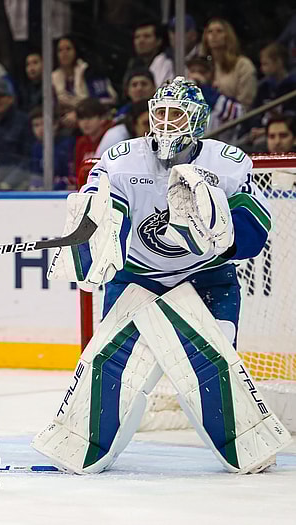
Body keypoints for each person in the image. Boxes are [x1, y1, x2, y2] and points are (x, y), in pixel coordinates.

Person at [37, 76, 291, 474]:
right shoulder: (122, 159)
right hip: (138, 277)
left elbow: (256, 228)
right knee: (112, 366)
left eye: (177, 115)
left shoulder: (225, 163)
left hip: (207, 280)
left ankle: (247, 446)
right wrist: (97, 236)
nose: (167, 123)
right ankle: (85, 446)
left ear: (198, 120)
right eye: (161, 114)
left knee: (214, 366)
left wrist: (221, 232)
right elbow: (103, 208)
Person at [185, 56, 245, 144]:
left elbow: (237, 115)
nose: (196, 76)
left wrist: (204, 89)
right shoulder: (183, 101)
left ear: (213, 75)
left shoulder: (222, 99)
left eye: (202, 72)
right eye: (193, 71)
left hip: (219, 153)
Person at [200, 18, 257, 110]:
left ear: (228, 36)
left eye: (219, 31)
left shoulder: (243, 65)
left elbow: (245, 104)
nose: (214, 35)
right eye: (210, 32)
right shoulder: (204, 66)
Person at [51, 36, 117, 113]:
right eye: (60, 50)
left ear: (76, 50)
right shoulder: (53, 77)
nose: (64, 53)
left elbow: (104, 100)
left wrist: (77, 113)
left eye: (68, 49)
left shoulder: (90, 71)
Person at [29, 106, 75, 190]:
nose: (40, 128)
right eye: (36, 125)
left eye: (44, 124)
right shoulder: (36, 148)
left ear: (55, 125)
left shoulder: (68, 144)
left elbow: (72, 176)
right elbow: (35, 176)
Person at [124, 21, 175, 89]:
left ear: (159, 41)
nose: (141, 41)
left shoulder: (167, 62)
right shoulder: (133, 64)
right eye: (137, 37)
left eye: (147, 36)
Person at [74, 97, 113, 171]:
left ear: (102, 118)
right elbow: (78, 172)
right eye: (81, 118)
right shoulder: (81, 142)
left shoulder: (112, 138)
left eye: (89, 117)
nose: (85, 122)